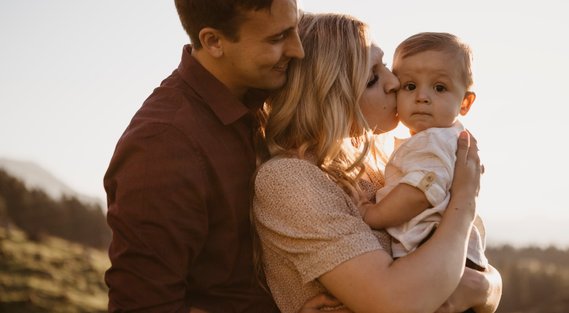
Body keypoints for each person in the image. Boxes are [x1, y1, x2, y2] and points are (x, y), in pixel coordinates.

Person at [101, 1, 342, 312]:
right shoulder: (163, 145)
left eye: (295, 28)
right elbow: (144, 305)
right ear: (214, 42)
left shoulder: (271, 94)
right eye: (277, 38)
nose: (298, 50)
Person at [253, 12, 502, 313]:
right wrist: (465, 199)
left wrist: (484, 287)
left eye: (385, 66)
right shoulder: (288, 181)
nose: (394, 82)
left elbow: (472, 260)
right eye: (373, 78)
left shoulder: (380, 160)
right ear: (329, 95)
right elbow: (398, 302)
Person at [362, 33, 489, 276]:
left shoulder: (434, 141)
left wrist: (375, 214)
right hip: (447, 252)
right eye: (410, 86)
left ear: (465, 103)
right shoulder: (439, 138)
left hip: (432, 248)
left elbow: (419, 192)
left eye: (439, 88)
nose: (421, 97)